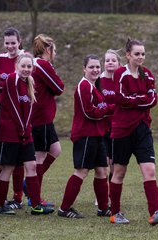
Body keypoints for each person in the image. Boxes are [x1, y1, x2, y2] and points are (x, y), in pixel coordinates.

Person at [109, 38, 158, 225]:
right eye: (137, 54)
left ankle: (155, 213)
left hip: (143, 129)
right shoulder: (120, 74)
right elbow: (121, 99)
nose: (140, 57)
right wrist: (140, 99)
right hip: (122, 130)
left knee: (150, 170)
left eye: (143, 54)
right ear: (128, 55)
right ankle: (115, 214)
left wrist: (136, 100)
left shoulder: (148, 75)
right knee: (119, 172)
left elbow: (153, 99)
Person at [0, 53, 54, 216]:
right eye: (23, 66)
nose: (26, 69)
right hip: (11, 133)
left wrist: (26, 130)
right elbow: (13, 108)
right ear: (16, 66)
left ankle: (36, 205)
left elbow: (28, 111)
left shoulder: (29, 82)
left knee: (32, 166)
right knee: (9, 168)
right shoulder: (12, 80)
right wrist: (22, 129)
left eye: (29, 67)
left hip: (24, 133)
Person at [58, 54, 114, 218]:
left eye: (98, 67)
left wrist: (110, 108)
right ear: (84, 69)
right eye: (91, 67)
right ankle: (64, 209)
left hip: (97, 135)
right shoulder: (84, 86)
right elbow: (90, 113)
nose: (95, 70)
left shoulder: (95, 85)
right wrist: (110, 109)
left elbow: (100, 108)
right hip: (86, 135)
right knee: (81, 171)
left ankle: (103, 209)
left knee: (102, 171)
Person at [28, 34, 64, 207]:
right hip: (39, 118)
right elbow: (59, 88)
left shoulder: (41, 65)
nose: (55, 53)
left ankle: (29, 185)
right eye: (54, 50)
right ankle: (34, 196)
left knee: (55, 150)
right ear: (47, 50)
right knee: (39, 157)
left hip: (45, 118)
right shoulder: (41, 64)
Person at [0, 27, 26, 209]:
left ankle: (18, 197)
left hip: (21, 112)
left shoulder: (25, 58)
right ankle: (1, 196)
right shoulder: (0, 59)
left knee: (19, 157)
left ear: (19, 42)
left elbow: (28, 83)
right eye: (7, 43)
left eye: (13, 42)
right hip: (3, 112)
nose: (10, 46)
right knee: (2, 156)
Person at [94, 49, 122, 208]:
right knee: (102, 165)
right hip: (102, 129)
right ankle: (101, 197)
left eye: (113, 60)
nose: (110, 62)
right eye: (107, 60)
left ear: (119, 63)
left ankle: (112, 194)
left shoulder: (122, 80)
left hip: (118, 129)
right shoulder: (98, 80)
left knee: (115, 165)